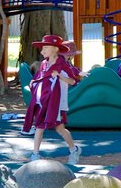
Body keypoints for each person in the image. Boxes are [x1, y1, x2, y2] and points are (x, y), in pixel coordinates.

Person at [21, 34, 82, 164]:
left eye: (45, 48)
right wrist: (33, 81)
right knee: (39, 126)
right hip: (44, 101)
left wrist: (59, 76)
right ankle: (35, 154)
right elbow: (38, 76)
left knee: (60, 129)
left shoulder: (63, 65)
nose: (42, 51)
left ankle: (74, 149)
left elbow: (73, 81)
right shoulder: (44, 63)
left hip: (57, 102)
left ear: (54, 49)